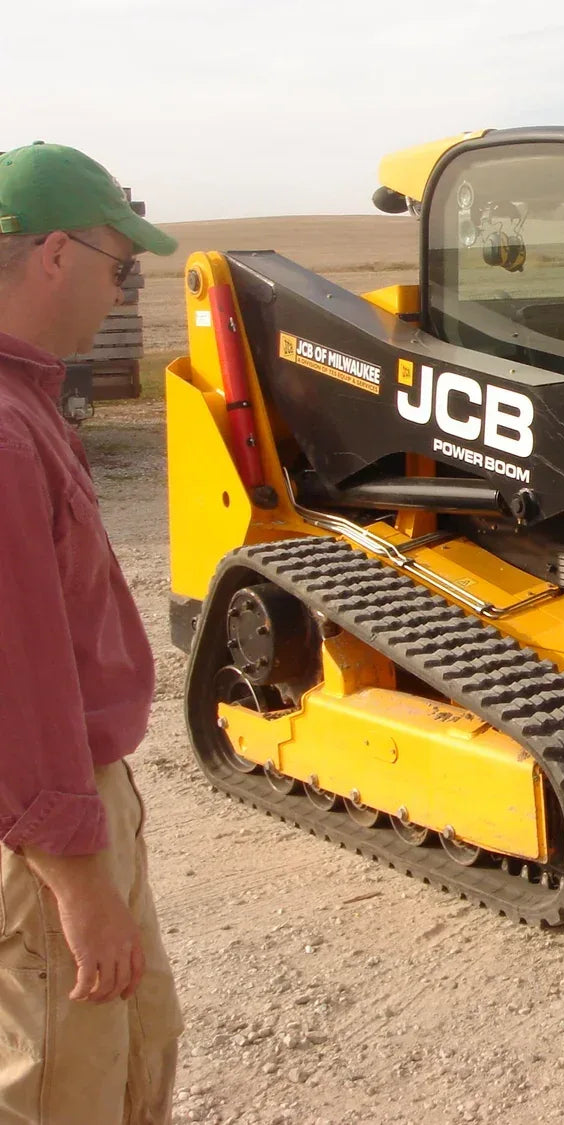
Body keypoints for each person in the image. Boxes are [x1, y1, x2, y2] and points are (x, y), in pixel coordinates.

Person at [0, 143, 183, 1124]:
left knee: (132, 1054)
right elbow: (15, 684)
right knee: (67, 1083)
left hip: (70, 805)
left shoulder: (27, 402)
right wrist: (79, 887)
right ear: (57, 255)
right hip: (45, 829)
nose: (125, 290)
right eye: (123, 267)